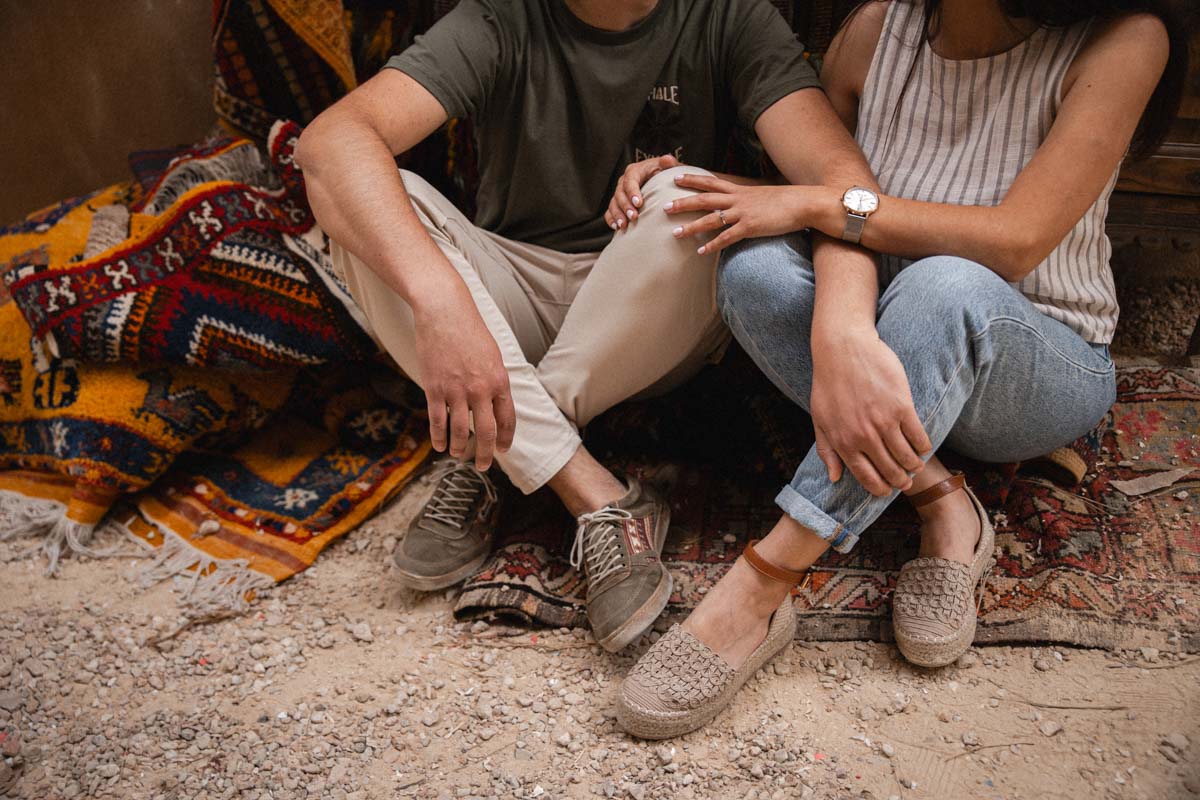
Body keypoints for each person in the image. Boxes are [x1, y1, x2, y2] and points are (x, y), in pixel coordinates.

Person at [616, 0, 1185, 738]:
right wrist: (680, 182)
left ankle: (764, 583)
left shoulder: (1126, 38)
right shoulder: (875, 28)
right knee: (752, 268)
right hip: (890, 339)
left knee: (941, 282)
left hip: (1037, 359)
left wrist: (823, 211)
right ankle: (940, 499)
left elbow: (1014, 242)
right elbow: (822, 197)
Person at [295, 0, 891, 653]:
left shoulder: (730, 17)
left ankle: (493, 452)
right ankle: (599, 494)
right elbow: (329, 141)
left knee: (689, 193)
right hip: (506, 302)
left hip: (649, 303)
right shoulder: (502, 17)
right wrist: (440, 300)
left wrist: (844, 329)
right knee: (364, 200)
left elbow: (843, 182)